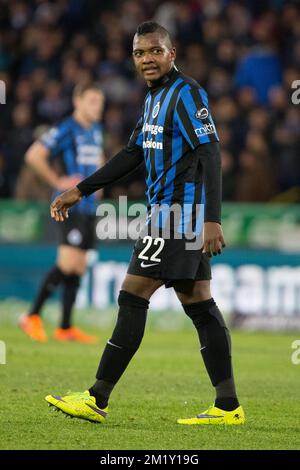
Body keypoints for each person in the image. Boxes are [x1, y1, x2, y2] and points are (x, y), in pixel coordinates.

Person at [45, 22, 245, 425]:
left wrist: (212, 220)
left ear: (172, 53)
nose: (147, 59)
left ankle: (96, 396)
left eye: (155, 51)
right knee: (199, 302)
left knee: (133, 295)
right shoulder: (153, 99)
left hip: (176, 215)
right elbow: (132, 153)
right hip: (170, 214)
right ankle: (228, 406)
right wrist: (80, 190)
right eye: (139, 53)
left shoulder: (187, 94)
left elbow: (212, 155)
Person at [19, 83, 105, 344]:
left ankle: (65, 327)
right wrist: (58, 181)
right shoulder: (66, 129)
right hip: (71, 205)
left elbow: (99, 160)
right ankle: (31, 315)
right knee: (67, 262)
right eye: (92, 101)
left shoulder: (96, 131)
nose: (97, 107)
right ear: (77, 101)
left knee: (78, 266)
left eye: (100, 102)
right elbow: (34, 155)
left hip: (90, 206)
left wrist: (100, 184)